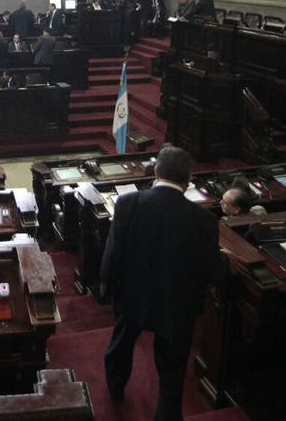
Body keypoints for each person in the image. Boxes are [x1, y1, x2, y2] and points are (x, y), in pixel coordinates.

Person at [101, 145, 223, 419]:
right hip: (177, 304)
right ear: (188, 179)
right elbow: (213, 273)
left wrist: (107, 288)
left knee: (120, 345)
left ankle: (116, 388)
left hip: (133, 296)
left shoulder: (128, 204)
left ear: (156, 172)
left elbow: (113, 253)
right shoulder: (205, 220)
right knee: (172, 371)